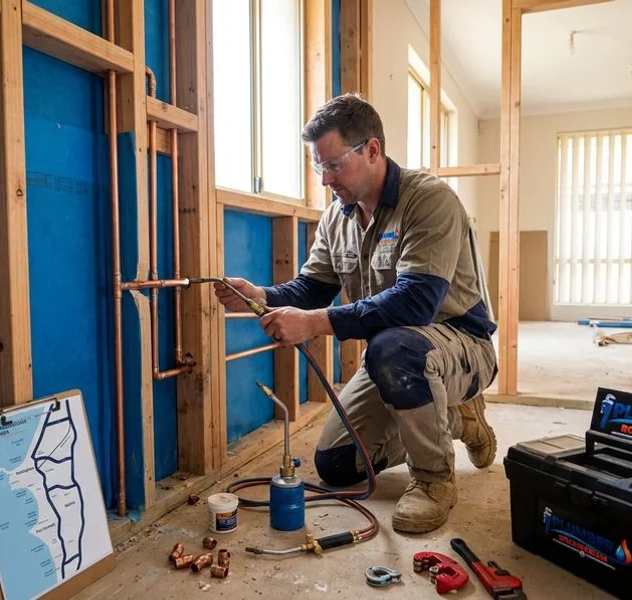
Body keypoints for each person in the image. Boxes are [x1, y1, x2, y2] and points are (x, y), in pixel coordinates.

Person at [213, 93, 498, 534]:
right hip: (395, 356)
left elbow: (416, 302)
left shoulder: (428, 200)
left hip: (459, 344)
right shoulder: (337, 218)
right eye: (318, 167)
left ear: (372, 150)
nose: (326, 178)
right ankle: (460, 418)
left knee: (393, 347)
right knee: (338, 464)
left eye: (334, 164)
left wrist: (313, 323)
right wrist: (262, 295)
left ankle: (433, 480)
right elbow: (313, 287)